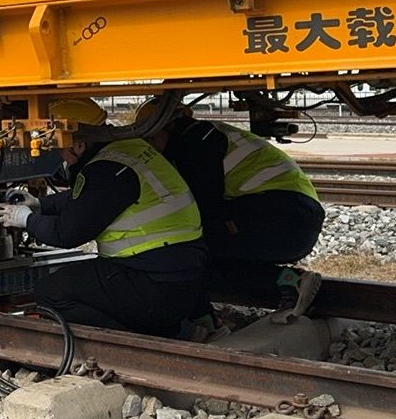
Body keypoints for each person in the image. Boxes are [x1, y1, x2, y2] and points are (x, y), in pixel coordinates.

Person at [0, 98, 208, 338]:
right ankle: (169, 328)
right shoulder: (128, 150)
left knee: (50, 292)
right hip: (180, 275)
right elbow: (90, 198)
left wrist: (27, 220)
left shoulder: (107, 169)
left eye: (58, 147)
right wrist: (39, 204)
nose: (59, 155)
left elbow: (66, 234)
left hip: (154, 283)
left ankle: (136, 341)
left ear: (79, 144)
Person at [135, 98, 324, 323]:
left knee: (187, 252)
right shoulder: (204, 135)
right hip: (292, 218)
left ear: (164, 127)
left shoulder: (196, 141)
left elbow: (201, 207)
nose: (152, 147)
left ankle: (201, 318)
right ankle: (288, 282)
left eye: (150, 138)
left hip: (282, 217)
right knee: (200, 253)